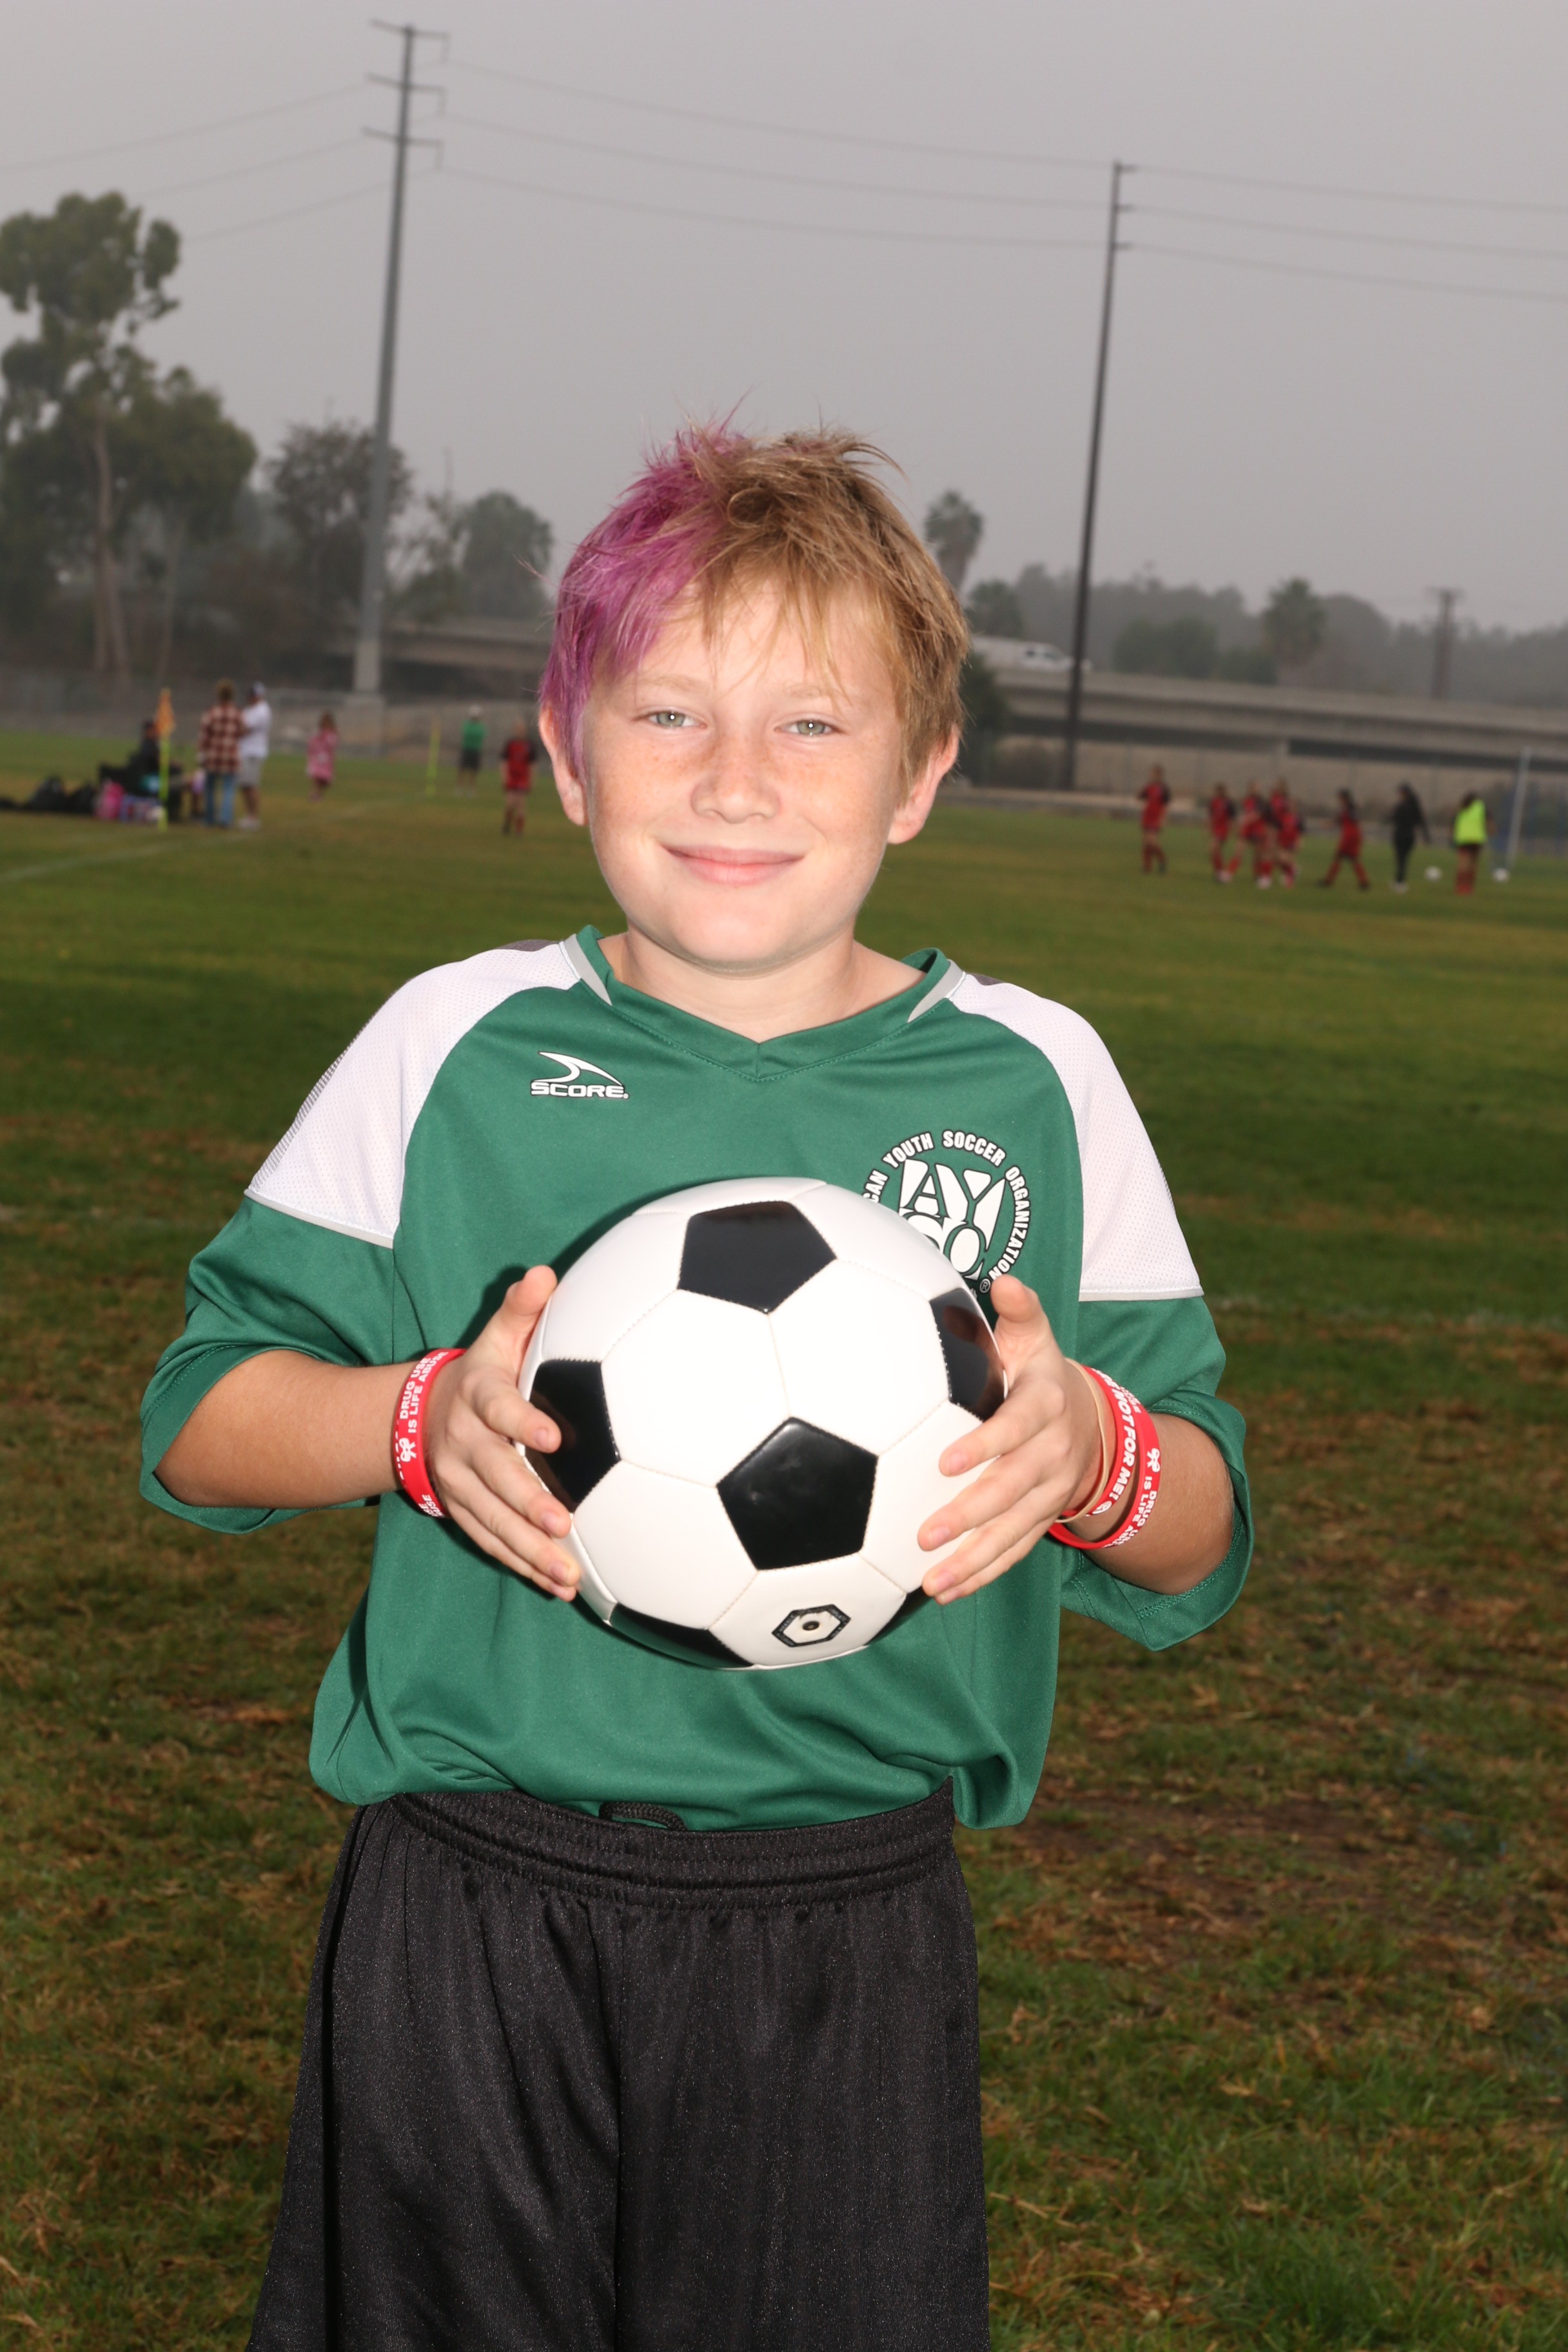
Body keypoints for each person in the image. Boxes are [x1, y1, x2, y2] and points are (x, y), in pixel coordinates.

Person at [141, 426, 1250, 2352]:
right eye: (668, 713)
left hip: (846, 1930)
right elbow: (202, 1417)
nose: (736, 778)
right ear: (568, 753)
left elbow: (1201, 1525)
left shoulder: (1036, 1081)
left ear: (921, 770)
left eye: (811, 723)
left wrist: (1094, 1453)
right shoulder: (452, 1042)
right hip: (471, 1900)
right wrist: (411, 1423)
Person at [196, 681, 242, 829]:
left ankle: (209, 819)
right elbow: (243, 731)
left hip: (213, 755)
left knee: (210, 788)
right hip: (231, 755)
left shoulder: (212, 713)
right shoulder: (237, 713)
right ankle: (225, 819)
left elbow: (204, 736)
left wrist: (201, 754)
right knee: (228, 788)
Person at [1318, 787, 1370, 890]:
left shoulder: (1350, 810)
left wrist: (1360, 836)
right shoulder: (1346, 809)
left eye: (1340, 798)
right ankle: (1364, 882)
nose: (1339, 800)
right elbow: (1338, 821)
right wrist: (1328, 825)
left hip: (1350, 837)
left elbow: (1356, 822)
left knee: (1340, 857)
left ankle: (1328, 881)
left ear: (1344, 798)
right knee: (1353, 859)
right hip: (1352, 837)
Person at [237, 682, 271, 830]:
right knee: (245, 785)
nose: (250, 697)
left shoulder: (262, 710)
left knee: (251, 785)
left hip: (253, 752)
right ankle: (249, 815)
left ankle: (254, 817)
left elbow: (245, 729)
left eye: (253, 695)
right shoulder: (250, 709)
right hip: (245, 750)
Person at [1389, 781, 1429, 892]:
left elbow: (1393, 817)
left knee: (1400, 859)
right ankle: (1399, 880)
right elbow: (1421, 822)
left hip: (1400, 835)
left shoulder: (1402, 806)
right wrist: (1426, 837)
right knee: (1404, 860)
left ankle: (1400, 882)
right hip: (1410, 836)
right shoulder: (1415, 807)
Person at [1452, 789, 1489, 894]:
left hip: (1463, 839)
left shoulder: (1461, 808)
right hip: (1476, 839)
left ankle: (1460, 886)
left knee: (1463, 864)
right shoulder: (1481, 807)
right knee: (1473, 864)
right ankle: (1469, 886)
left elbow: (1454, 822)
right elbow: (1487, 821)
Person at [500, 721, 533, 835]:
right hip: (512, 777)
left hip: (522, 778)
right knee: (510, 804)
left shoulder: (529, 746)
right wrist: (504, 776)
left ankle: (519, 830)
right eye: (518, 730)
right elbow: (504, 762)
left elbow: (532, 765)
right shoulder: (510, 745)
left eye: (522, 730)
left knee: (521, 804)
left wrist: (531, 779)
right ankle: (507, 823)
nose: (520, 732)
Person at [1139, 761, 1171, 872]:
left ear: (1160, 775)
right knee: (1146, 842)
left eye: (1155, 774)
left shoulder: (1164, 788)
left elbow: (1166, 805)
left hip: (1156, 817)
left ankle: (1162, 860)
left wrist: (1163, 819)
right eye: (1152, 773)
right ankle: (1147, 865)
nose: (1153, 776)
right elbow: (1140, 797)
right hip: (1147, 816)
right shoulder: (1149, 786)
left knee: (1152, 841)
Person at [1269, 779, 1301, 888]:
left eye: (1277, 786)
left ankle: (1289, 876)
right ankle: (1291, 872)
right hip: (1280, 831)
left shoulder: (1286, 802)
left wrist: (1299, 841)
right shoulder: (1274, 799)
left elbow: (1299, 830)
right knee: (1277, 858)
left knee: (1283, 859)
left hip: (1289, 837)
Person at [1236, 784, 1270, 885]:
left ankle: (1261, 876)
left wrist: (1245, 820)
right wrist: (1242, 823)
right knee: (1239, 850)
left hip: (1257, 830)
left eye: (1257, 788)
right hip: (1247, 829)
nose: (1255, 790)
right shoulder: (1247, 800)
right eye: (1253, 788)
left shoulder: (1261, 802)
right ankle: (1229, 874)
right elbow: (1244, 813)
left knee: (1258, 855)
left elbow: (1258, 815)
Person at [306, 711, 338, 803]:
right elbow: (312, 743)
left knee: (326, 780)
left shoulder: (332, 733)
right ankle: (315, 794)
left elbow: (332, 744)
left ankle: (318, 793)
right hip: (318, 757)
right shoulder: (319, 731)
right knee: (317, 776)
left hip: (326, 759)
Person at [1208, 783, 1237, 881]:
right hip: (1216, 829)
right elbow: (1211, 815)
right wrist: (1208, 827)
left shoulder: (1228, 803)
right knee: (1216, 851)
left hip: (1223, 829)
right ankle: (1220, 872)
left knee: (1213, 848)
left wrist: (1232, 829)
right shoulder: (1213, 802)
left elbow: (1232, 817)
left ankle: (1220, 871)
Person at [458, 703, 485, 790]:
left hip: (476, 750)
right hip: (467, 749)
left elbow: (481, 736)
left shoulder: (481, 727)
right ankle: (459, 786)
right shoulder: (467, 725)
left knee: (474, 770)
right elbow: (466, 734)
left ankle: (471, 788)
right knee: (462, 769)